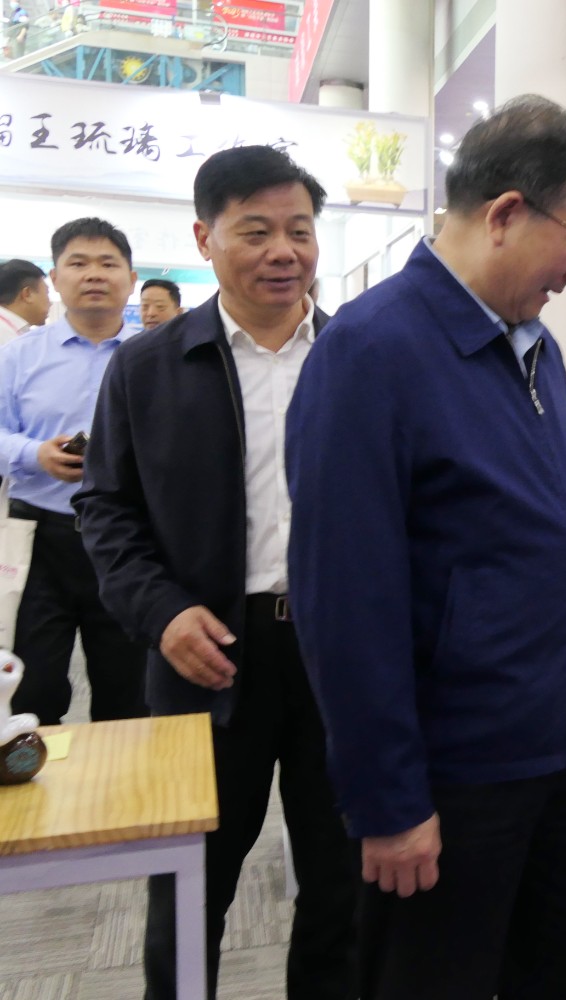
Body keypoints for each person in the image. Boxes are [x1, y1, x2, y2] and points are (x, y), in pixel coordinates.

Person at [285, 94, 566, 1000]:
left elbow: (565, 539)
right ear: (506, 213)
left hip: (560, 757)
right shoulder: (369, 353)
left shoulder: (537, 348)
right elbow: (344, 603)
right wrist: (389, 801)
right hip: (453, 777)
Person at [74, 147, 358, 1000]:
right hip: (206, 659)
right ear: (205, 238)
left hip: (340, 659)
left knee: (343, 887)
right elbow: (105, 508)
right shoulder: (149, 365)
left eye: (300, 231)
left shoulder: (358, 357)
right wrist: (161, 613)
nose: (283, 252)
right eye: (256, 231)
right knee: (191, 889)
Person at [0, 218, 147, 726]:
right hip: (40, 538)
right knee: (32, 686)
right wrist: (34, 454)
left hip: (129, 539)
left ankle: (122, 777)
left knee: (128, 689)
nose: (94, 274)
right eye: (78, 263)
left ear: (130, 279)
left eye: (108, 263)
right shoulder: (18, 356)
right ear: (54, 278)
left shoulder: (154, 358)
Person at [0, 259, 51, 344]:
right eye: (46, 293)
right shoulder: (5, 335)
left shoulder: (14, 329)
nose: (50, 303)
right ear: (27, 294)